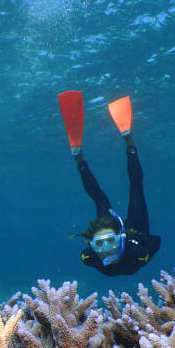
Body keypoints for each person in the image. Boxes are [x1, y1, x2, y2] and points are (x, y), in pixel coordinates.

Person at [58, 91, 161, 276]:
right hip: (135, 228)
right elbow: (156, 240)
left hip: (126, 232)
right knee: (136, 189)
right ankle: (129, 143)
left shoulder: (90, 257)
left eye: (110, 241)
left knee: (100, 198)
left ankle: (79, 158)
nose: (106, 250)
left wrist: (136, 244)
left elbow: (157, 241)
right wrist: (143, 244)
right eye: (100, 244)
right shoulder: (138, 255)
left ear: (119, 239)